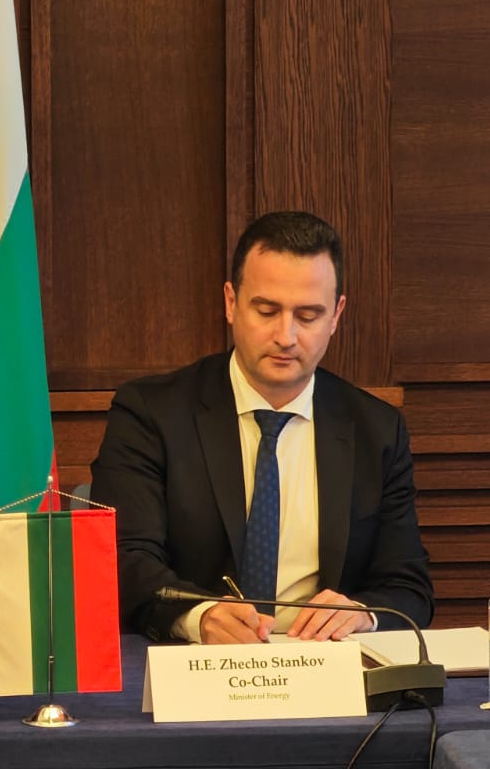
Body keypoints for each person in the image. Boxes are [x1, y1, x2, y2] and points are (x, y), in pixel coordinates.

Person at [91, 211, 433, 646]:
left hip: (321, 664)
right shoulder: (151, 413)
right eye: (267, 311)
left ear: (336, 315)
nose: (285, 336)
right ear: (231, 303)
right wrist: (198, 616)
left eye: (308, 316)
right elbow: (123, 559)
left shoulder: (376, 430)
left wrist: (362, 614)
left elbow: (408, 587)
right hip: (192, 661)